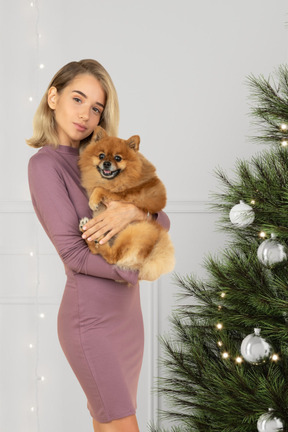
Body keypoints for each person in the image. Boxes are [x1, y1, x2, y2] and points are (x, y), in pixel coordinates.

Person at [27, 59, 171, 432]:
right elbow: (74, 254)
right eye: (78, 99)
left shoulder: (104, 157)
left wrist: (130, 211)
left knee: (109, 422)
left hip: (127, 319)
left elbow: (162, 218)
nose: (85, 115)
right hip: (90, 320)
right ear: (53, 97)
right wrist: (129, 269)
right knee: (121, 423)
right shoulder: (45, 166)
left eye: (96, 108)